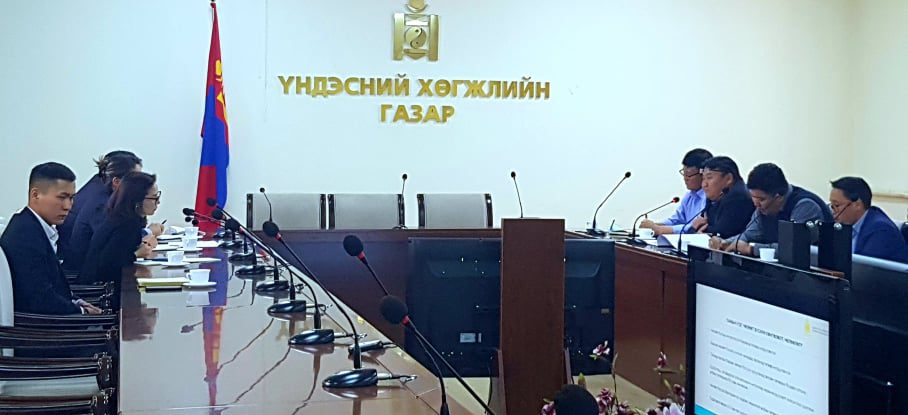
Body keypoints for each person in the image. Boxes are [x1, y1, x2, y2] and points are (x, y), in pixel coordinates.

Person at [0, 162, 101, 315]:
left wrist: (77, 301)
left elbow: (50, 288)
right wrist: (82, 311)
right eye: (62, 197)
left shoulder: (31, 224)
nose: (68, 206)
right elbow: (39, 300)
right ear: (35, 195)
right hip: (39, 325)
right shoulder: (25, 237)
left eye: (71, 198)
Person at [63, 153, 161, 272]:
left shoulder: (106, 194)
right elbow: (108, 255)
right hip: (83, 275)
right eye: (134, 179)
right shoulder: (103, 204)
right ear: (116, 181)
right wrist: (143, 241)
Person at [712, 163, 833, 256]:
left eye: (761, 199)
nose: (756, 204)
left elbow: (793, 250)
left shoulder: (805, 206)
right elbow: (749, 234)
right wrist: (725, 242)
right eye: (753, 197)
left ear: (778, 197)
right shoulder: (763, 207)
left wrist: (752, 249)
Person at [79, 172, 160, 286]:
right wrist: (137, 254)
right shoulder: (126, 224)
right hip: (98, 288)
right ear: (137, 199)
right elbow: (107, 264)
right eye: (154, 198)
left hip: (107, 283)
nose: (158, 202)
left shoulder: (126, 217)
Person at [58, 150, 139, 260]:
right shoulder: (101, 203)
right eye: (135, 180)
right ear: (116, 181)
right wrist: (144, 237)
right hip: (79, 266)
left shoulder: (97, 185)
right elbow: (110, 250)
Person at [829, 177, 908, 263]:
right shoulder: (848, 224)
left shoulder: (880, 230)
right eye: (831, 205)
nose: (833, 211)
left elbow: (863, 268)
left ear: (857, 205)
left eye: (836, 205)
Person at [640, 148, 712, 235]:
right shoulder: (689, 196)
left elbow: (695, 226)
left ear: (703, 174)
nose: (685, 178)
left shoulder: (710, 198)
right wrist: (654, 225)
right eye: (684, 173)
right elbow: (676, 220)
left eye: (688, 175)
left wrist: (660, 229)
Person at [693, 156, 754, 238]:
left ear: (728, 179)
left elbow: (723, 233)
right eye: (703, 179)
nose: (704, 184)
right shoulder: (715, 197)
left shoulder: (739, 198)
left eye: (709, 178)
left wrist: (700, 229)